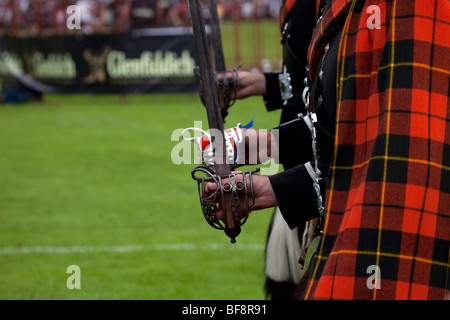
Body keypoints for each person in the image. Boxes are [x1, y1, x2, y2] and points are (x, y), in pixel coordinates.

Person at [207, 0, 450, 299]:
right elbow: (339, 122)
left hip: (396, 233)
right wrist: (259, 156)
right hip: (333, 200)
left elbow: (403, 162)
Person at [222, 0, 317, 300]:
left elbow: (337, 105)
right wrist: (259, 82)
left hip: (326, 172)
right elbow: (307, 83)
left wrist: (267, 144)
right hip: (301, 165)